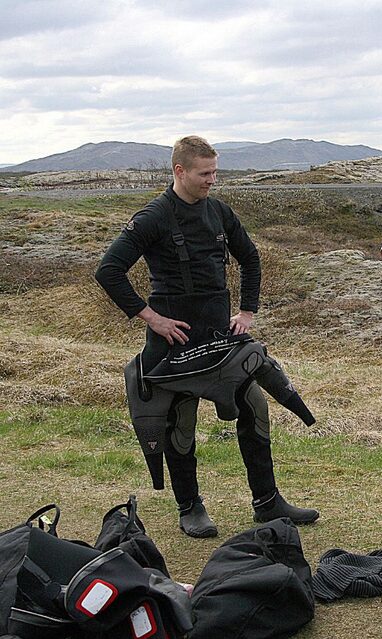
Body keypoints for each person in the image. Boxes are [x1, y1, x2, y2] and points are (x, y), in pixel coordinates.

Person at [96, 135, 318, 538]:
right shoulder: (153, 217)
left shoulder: (219, 212)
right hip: (173, 344)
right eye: (205, 173)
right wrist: (151, 318)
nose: (212, 180)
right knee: (180, 423)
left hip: (219, 336)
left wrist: (247, 311)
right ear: (180, 171)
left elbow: (250, 257)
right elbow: (108, 270)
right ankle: (189, 506)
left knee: (255, 407)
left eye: (215, 171)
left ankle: (267, 502)